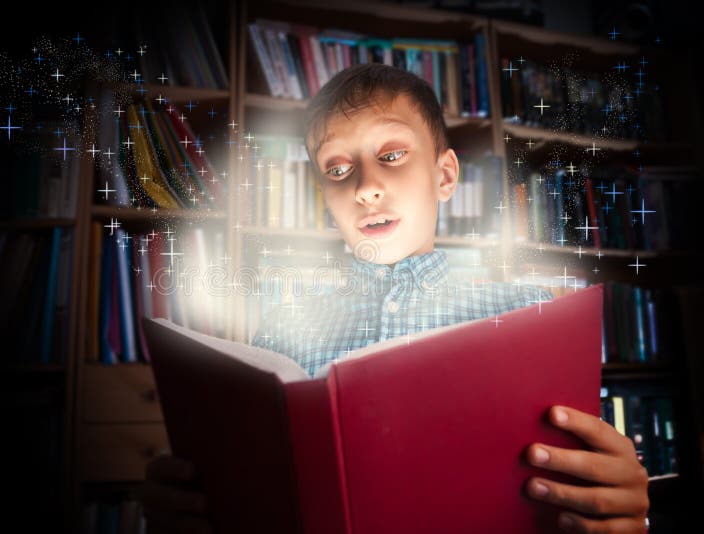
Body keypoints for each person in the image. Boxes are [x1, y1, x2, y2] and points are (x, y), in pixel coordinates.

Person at [139, 63, 650, 533]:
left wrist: (618, 506)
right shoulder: (281, 332)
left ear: (445, 176)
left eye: (391, 155)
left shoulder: (529, 316)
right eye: (337, 170)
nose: (366, 187)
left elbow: (582, 482)